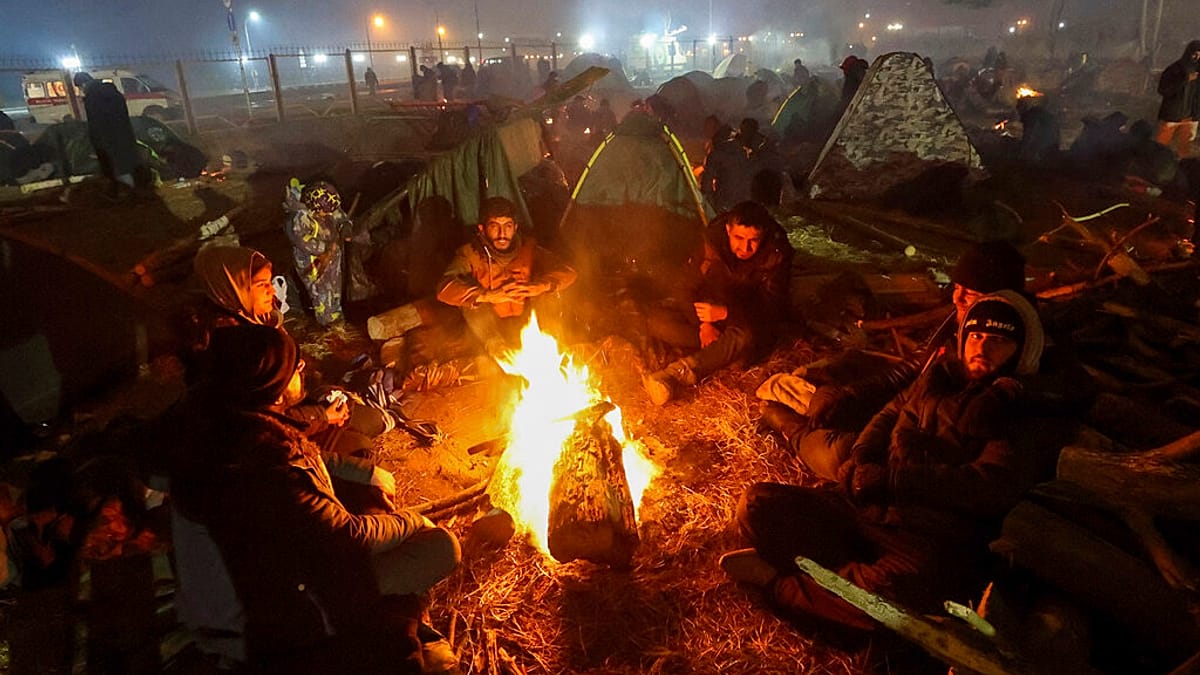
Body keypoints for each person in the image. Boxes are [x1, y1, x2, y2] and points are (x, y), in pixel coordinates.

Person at [722, 291, 1046, 631]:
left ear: (1020, 351)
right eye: (976, 335)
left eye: (997, 340)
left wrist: (894, 481)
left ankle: (782, 583)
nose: (981, 347)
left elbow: (988, 485)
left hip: (927, 535)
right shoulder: (941, 378)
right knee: (758, 503)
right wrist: (860, 457)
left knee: (888, 596)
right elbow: (888, 414)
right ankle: (837, 568)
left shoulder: (1017, 410)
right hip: (872, 504)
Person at [171, 323, 460, 671]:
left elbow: (311, 462)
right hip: (274, 614)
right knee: (442, 546)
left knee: (372, 480)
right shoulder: (261, 467)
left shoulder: (231, 422)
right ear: (273, 387)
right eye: (294, 367)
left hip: (275, 571)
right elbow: (349, 537)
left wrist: (370, 477)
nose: (303, 368)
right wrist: (412, 521)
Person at [759, 240, 1029, 481]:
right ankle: (804, 406)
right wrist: (852, 397)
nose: (957, 299)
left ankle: (791, 429)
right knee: (831, 396)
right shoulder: (959, 323)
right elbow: (911, 372)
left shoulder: (1013, 352)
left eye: (968, 293)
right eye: (957, 288)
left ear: (1001, 298)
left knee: (840, 453)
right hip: (905, 415)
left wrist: (883, 457)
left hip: (918, 445)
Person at [643, 201, 794, 405]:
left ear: (764, 235)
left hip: (745, 324)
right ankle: (720, 354)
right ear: (728, 229)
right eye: (738, 238)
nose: (745, 247)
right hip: (710, 318)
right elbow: (684, 286)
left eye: (753, 240)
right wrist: (704, 326)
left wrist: (726, 314)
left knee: (746, 338)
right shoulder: (712, 244)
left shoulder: (775, 255)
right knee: (658, 322)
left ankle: (677, 373)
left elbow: (770, 309)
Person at [436, 196, 577, 357]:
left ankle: (553, 343)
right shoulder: (471, 254)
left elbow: (568, 271)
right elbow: (443, 289)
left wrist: (539, 286)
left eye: (508, 226)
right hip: (492, 325)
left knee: (551, 290)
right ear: (482, 229)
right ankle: (498, 350)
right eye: (495, 226)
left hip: (529, 320)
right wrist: (487, 295)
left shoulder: (528, 248)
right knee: (471, 299)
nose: (502, 234)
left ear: (515, 227)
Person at [284, 178, 348, 326]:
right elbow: (303, 240)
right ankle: (327, 324)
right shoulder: (300, 217)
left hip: (332, 256)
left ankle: (337, 317)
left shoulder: (326, 203)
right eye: (324, 212)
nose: (328, 215)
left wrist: (345, 225)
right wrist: (324, 247)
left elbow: (338, 214)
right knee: (320, 292)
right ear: (314, 206)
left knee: (334, 288)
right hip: (312, 261)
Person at [72, 72, 140, 197]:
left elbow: (96, 122)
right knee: (124, 163)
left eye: (80, 88)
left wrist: (96, 141)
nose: (81, 91)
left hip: (106, 137)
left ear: (83, 84)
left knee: (113, 165)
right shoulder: (114, 93)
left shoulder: (92, 98)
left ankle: (125, 194)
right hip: (123, 133)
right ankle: (131, 189)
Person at [1155, 40, 1200, 158]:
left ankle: (1183, 170)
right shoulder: (1175, 69)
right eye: (1195, 53)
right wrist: (1184, 79)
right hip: (1173, 116)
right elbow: (1163, 89)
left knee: (1185, 149)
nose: (1197, 57)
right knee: (1160, 146)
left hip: (1192, 117)